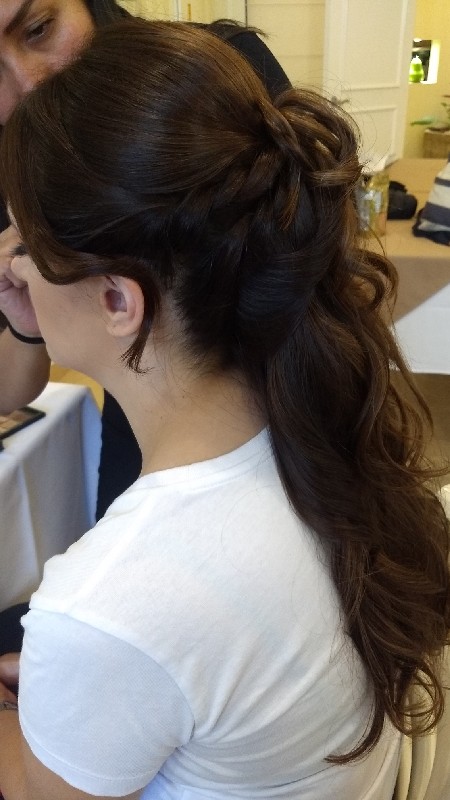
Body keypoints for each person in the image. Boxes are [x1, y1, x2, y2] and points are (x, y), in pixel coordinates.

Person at [0, 18, 449, 800]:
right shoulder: (318, 424)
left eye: (25, 242)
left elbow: (33, 786)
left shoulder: (118, 600)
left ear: (117, 300)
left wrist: (78, 674)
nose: (12, 265)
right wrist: (82, 688)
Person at [0, 0, 290, 520]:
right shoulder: (14, 145)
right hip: (143, 426)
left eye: (39, 29)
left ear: (118, 298)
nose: (29, 83)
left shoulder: (218, 73)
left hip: (288, 409)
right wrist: (25, 324)